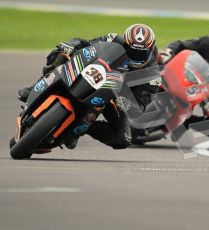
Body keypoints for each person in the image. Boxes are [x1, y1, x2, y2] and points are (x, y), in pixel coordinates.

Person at [17, 24, 159, 149]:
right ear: (125, 43)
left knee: (123, 138)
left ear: (151, 51)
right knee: (61, 53)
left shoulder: (153, 77)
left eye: (140, 53)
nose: (134, 56)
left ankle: (80, 129)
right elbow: (87, 44)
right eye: (131, 51)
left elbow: (139, 107)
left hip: (116, 97)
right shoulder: (113, 39)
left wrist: (126, 103)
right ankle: (37, 86)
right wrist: (72, 44)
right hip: (95, 73)